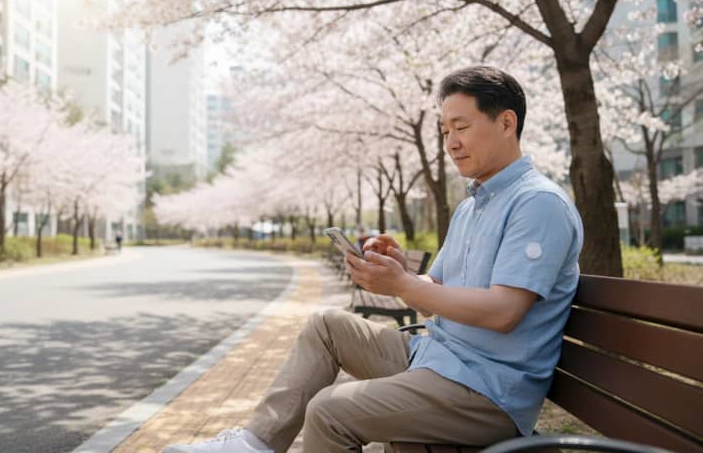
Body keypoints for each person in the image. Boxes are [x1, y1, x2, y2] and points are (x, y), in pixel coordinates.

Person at [163, 66, 584, 453]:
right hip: (439, 357)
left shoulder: (537, 204)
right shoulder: (472, 205)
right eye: (444, 130)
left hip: (488, 392)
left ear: (506, 123)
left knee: (330, 409)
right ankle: (255, 444)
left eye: (461, 127)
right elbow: (434, 292)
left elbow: (505, 313)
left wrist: (403, 286)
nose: (451, 142)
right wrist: (402, 272)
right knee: (326, 325)